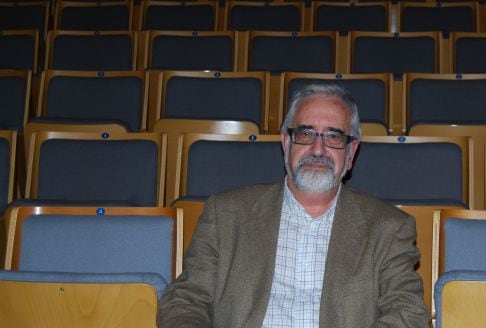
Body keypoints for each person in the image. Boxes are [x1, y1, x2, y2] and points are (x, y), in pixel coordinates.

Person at [157, 83, 429, 327]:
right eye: (306, 133)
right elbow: (186, 300)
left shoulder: (389, 228)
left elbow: (406, 312)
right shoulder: (226, 214)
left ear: (351, 153)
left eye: (334, 136)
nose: (318, 149)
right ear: (286, 142)